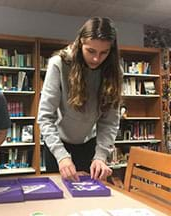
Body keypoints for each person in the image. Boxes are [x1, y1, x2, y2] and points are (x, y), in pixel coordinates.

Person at [37, 17, 122, 181]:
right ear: (80, 42)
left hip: (89, 143)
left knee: (87, 199)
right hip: (58, 142)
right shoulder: (59, 64)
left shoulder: (114, 71)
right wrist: (61, 156)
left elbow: (110, 121)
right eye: (91, 51)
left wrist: (101, 156)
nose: (97, 58)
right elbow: (46, 117)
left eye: (104, 52)